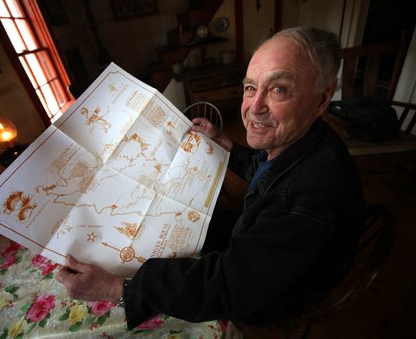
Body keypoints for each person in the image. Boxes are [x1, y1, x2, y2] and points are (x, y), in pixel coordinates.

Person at [56, 26, 365, 333]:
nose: (254, 107)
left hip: (277, 297)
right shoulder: (307, 139)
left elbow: (229, 288)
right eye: (250, 87)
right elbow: (266, 169)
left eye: (279, 89)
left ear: (323, 99)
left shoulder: (305, 197)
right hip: (267, 245)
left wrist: (115, 288)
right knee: (184, 221)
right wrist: (225, 143)